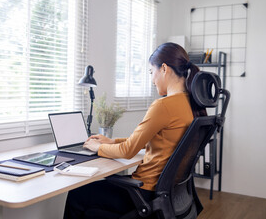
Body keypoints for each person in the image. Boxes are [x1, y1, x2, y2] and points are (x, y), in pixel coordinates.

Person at [63, 42, 206, 219]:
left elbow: (128, 151)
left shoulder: (164, 105)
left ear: (163, 69)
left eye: (151, 72)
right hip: (166, 195)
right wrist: (111, 141)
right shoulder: (190, 104)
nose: (152, 80)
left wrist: (96, 148)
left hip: (144, 194)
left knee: (77, 194)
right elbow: (152, 141)